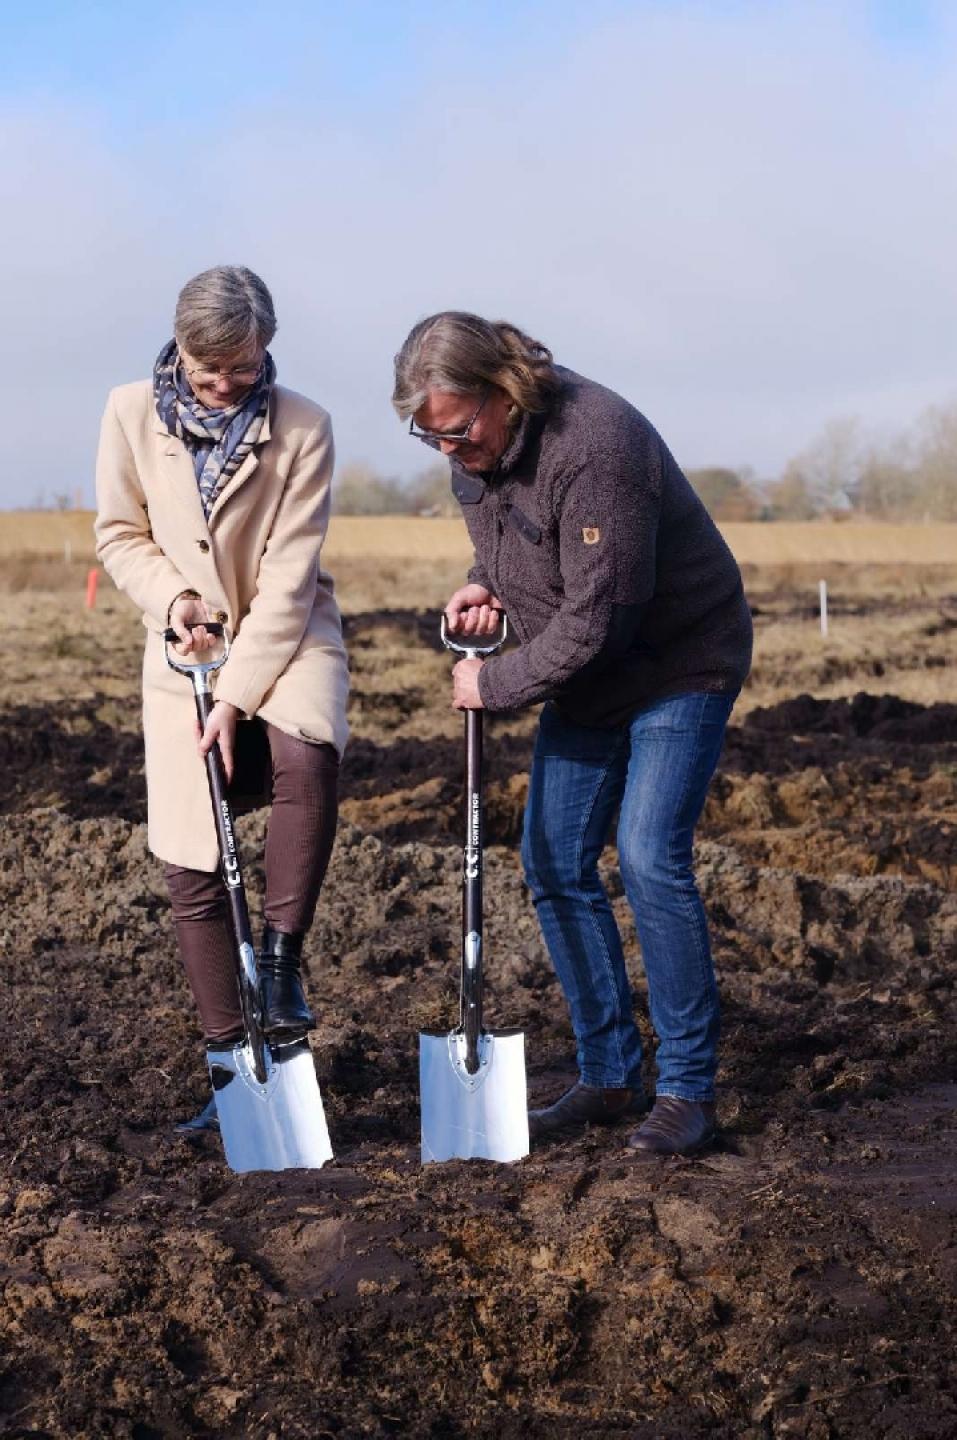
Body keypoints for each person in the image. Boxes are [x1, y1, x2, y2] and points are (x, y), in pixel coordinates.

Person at [393, 312, 752, 1157]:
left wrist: (494, 682)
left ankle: (687, 1092)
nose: (446, 449)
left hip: (675, 661)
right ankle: (606, 1074)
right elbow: (514, 546)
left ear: (503, 391)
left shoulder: (599, 446)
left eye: (456, 429)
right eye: (426, 434)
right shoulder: (469, 454)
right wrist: (483, 586)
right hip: (585, 670)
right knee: (553, 862)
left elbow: (600, 619)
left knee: (648, 856)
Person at [95, 265, 348, 1133]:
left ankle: (279, 960)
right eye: (209, 371)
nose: (225, 385)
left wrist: (236, 696)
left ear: (265, 348)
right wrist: (175, 602)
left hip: (286, 634)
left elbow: (287, 576)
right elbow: (120, 533)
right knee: (192, 861)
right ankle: (236, 1074)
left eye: (242, 368)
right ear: (181, 347)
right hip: (184, 642)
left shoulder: (304, 427)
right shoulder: (130, 410)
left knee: (306, 756)